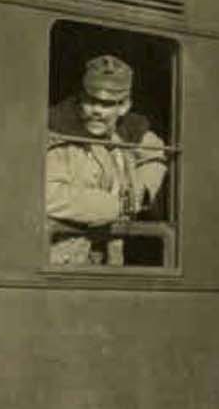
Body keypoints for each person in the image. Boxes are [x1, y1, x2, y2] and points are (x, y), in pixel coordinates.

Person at [45, 54, 168, 267]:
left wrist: (142, 192)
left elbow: (155, 154)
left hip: (109, 260)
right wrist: (118, 206)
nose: (97, 111)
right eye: (91, 101)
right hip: (60, 261)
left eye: (107, 104)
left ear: (124, 106)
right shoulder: (56, 132)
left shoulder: (130, 130)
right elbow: (50, 196)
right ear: (80, 99)